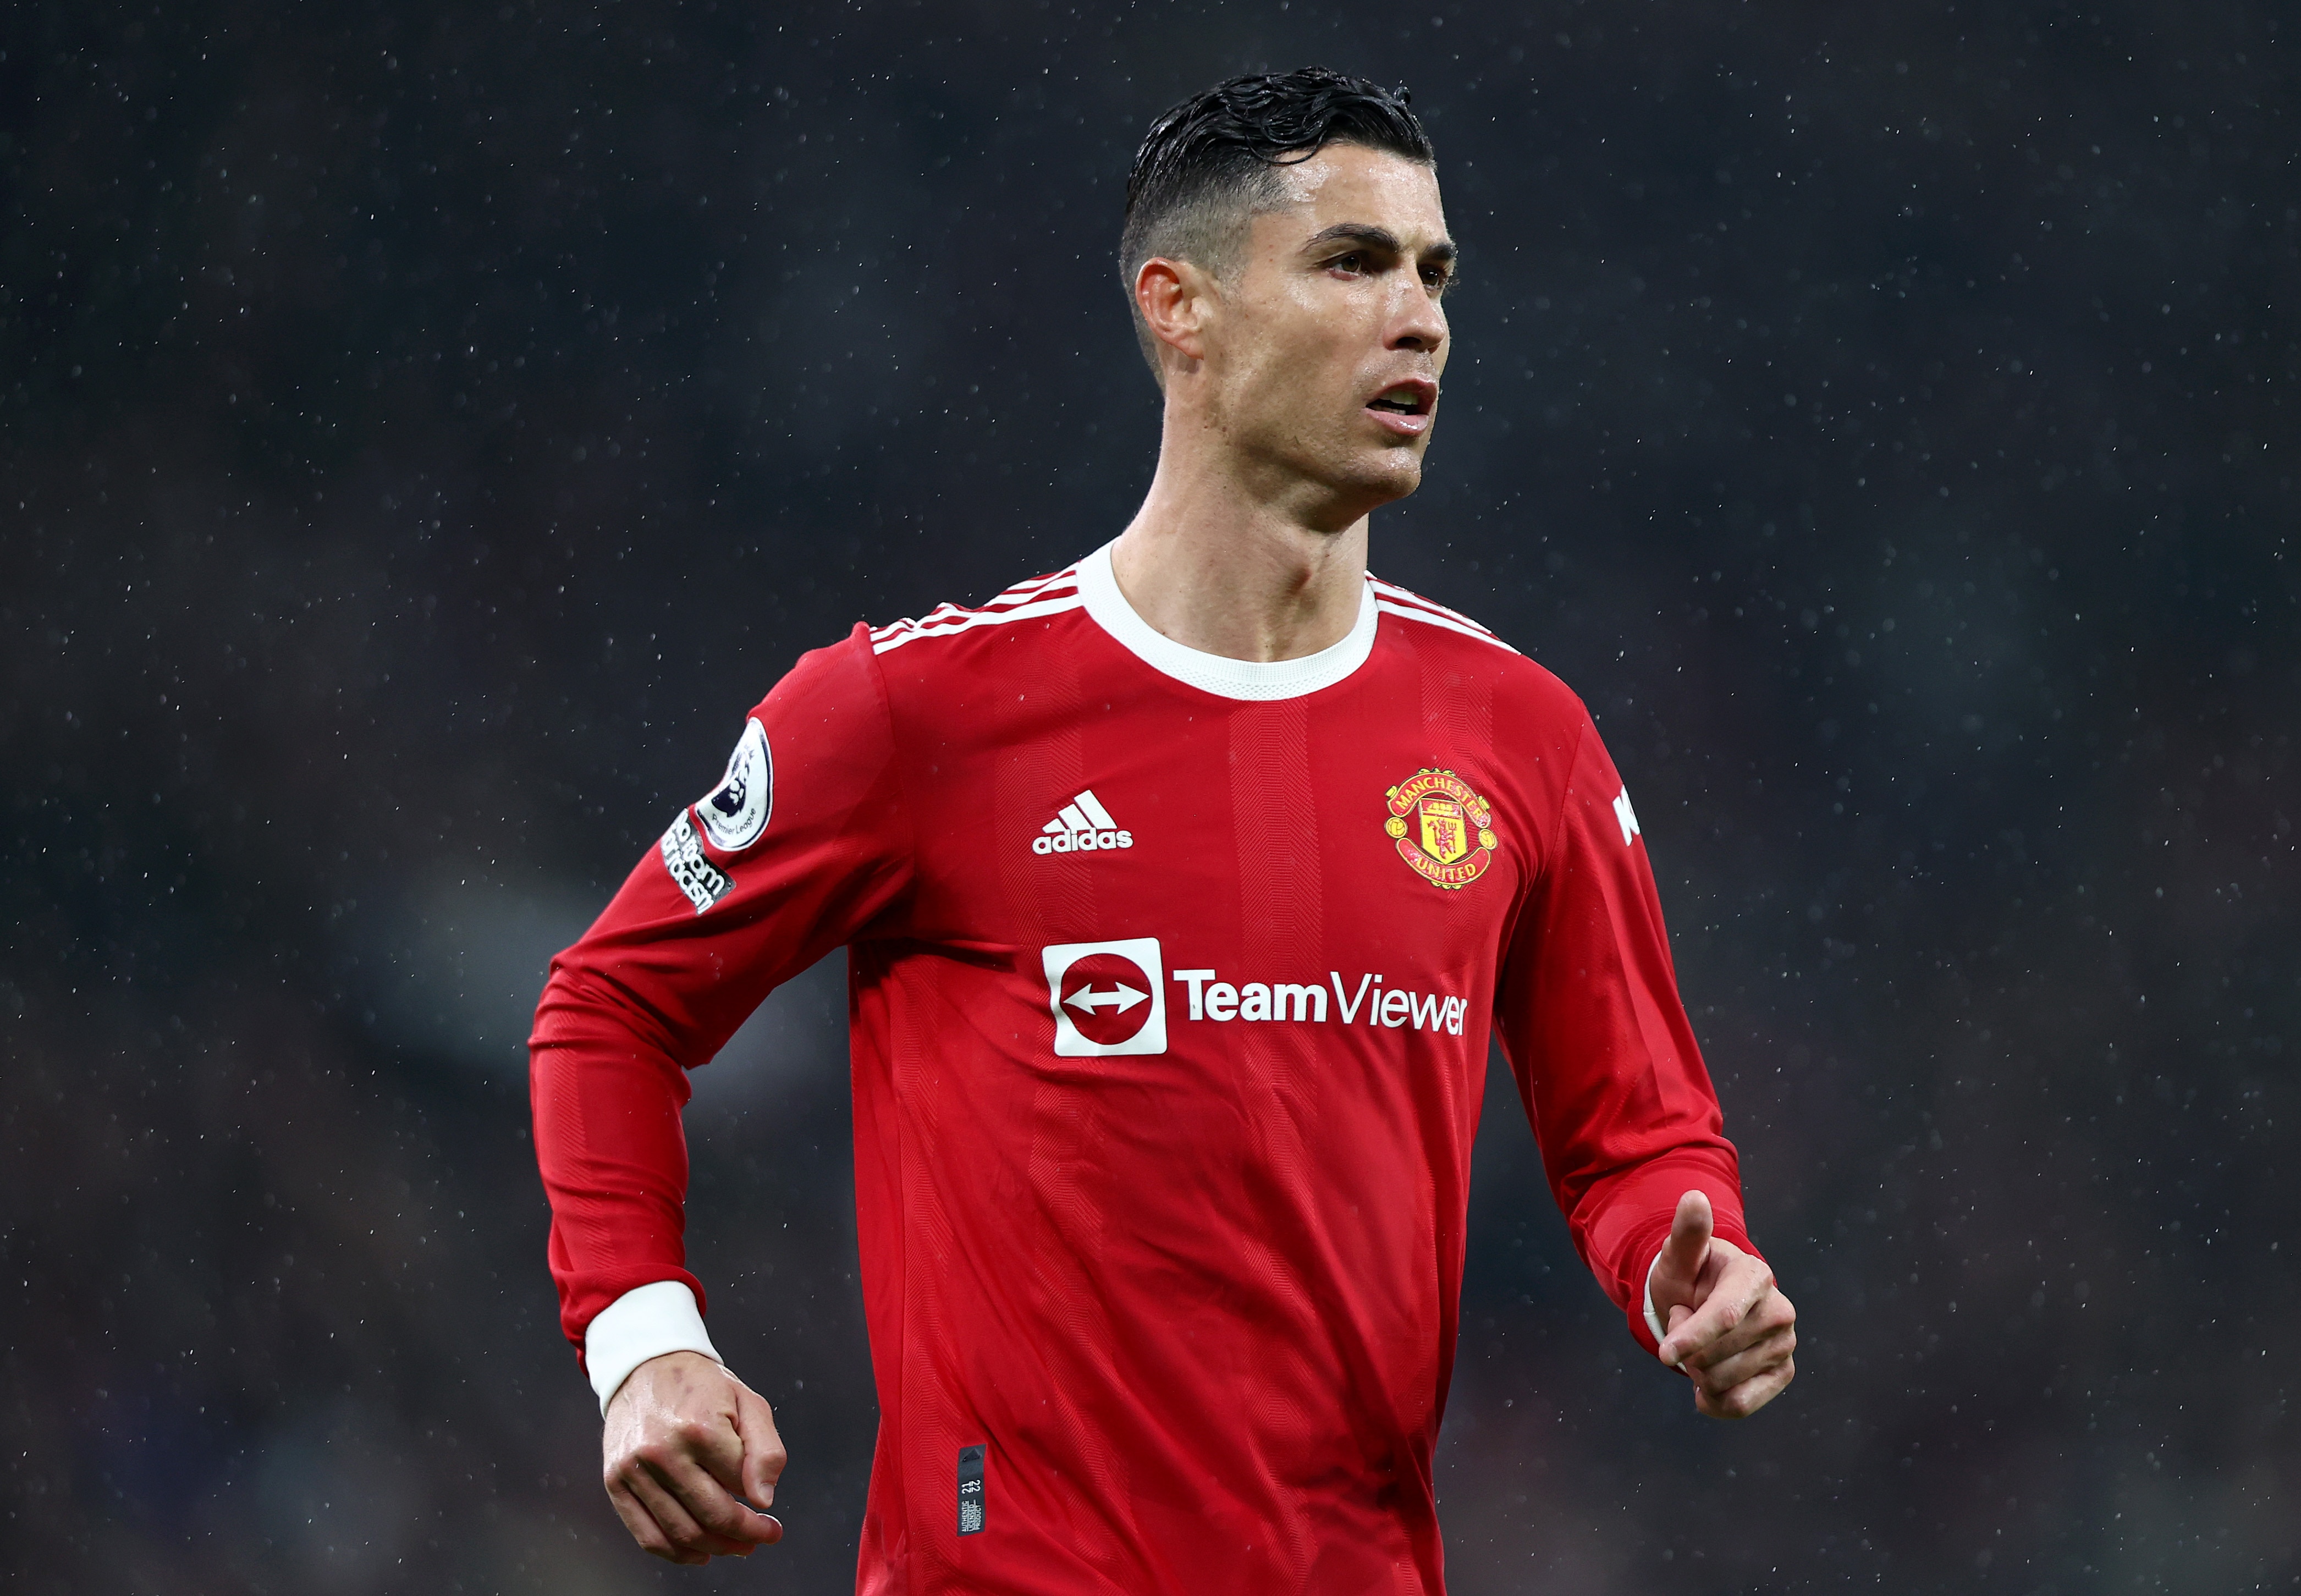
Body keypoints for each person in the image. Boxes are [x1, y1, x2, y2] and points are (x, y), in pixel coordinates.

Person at [530, 65, 1796, 1593]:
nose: (1420, 318)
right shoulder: (915, 713)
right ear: (1177, 308)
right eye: (1352, 261)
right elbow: (610, 1003)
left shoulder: (1519, 738)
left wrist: (1695, 1255)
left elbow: (1633, 1134)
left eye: (1433, 272)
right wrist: (644, 1343)